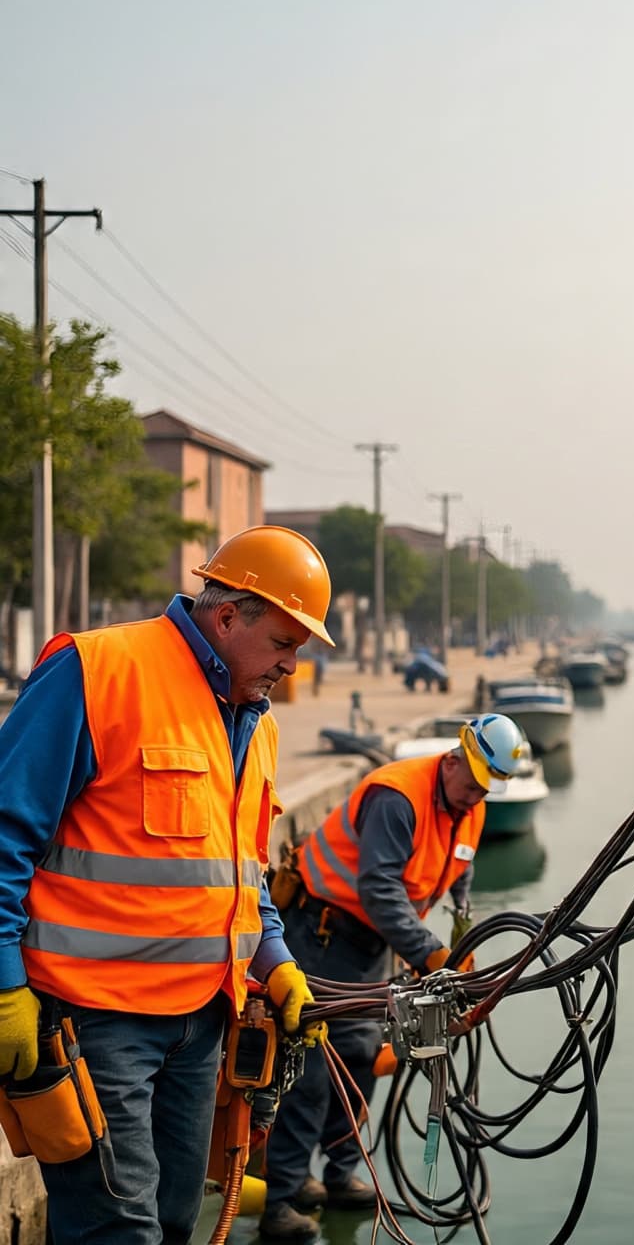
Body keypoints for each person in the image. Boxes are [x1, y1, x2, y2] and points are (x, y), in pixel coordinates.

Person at [0, 525, 335, 1244]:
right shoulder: (98, 670)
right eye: (283, 644)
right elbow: (3, 837)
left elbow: (242, 875)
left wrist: (276, 967)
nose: (291, 666)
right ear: (226, 616)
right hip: (96, 1019)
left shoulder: (260, 725)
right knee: (119, 1231)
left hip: (203, 1024)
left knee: (178, 1221)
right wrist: (3, 987)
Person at [259, 712, 526, 1240]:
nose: (475, 797)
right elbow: (380, 890)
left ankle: (337, 1176)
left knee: (359, 1059)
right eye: (471, 783)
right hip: (322, 933)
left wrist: (462, 932)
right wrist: (432, 954)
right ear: (452, 760)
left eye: (484, 790)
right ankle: (281, 1197)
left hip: (376, 945)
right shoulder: (396, 797)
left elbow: (461, 866)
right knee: (313, 1068)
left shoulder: (467, 805)